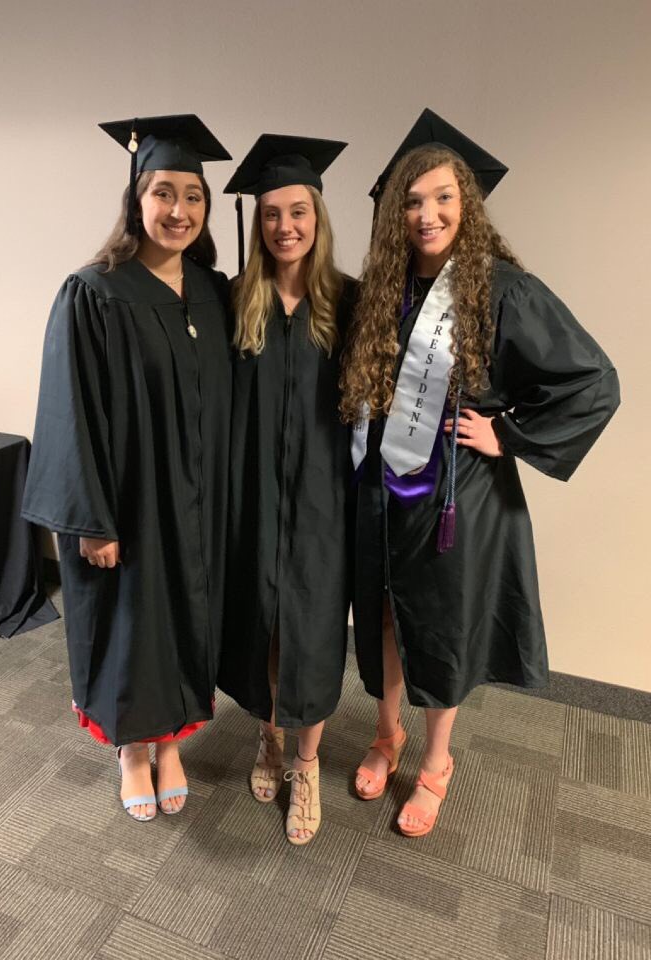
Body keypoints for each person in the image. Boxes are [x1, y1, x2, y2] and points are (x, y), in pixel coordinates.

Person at [340, 108, 620, 837]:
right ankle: (386, 732)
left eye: (442, 198)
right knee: (386, 615)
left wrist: (510, 435)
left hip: (456, 493)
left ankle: (435, 762)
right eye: (411, 200)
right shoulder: (383, 288)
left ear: (467, 204)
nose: (427, 214)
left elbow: (593, 380)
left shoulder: (500, 290)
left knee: (443, 624)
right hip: (383, 488)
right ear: (394, 212)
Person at [22, 114, 233, 822]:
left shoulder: (212, 291)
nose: (179, 210)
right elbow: (68, 413)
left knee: (183, 619)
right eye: (164, 192)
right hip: (127, 503)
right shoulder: (95, 292)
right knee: (132, 624)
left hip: (195, 502)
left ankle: (170, 742)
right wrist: (91, 519)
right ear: (136, 199)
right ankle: (132, 751)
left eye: (194, 196)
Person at [219, 135, 355, 845]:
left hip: (324, 502)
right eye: (270, 214)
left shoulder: (351, 302)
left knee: (315, 630)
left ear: (317, 216)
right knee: (263, 623)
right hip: (255, 498)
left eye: (297, 211)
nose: (284, 227)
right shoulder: (238, 301)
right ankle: (268, 735)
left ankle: (306, 764)